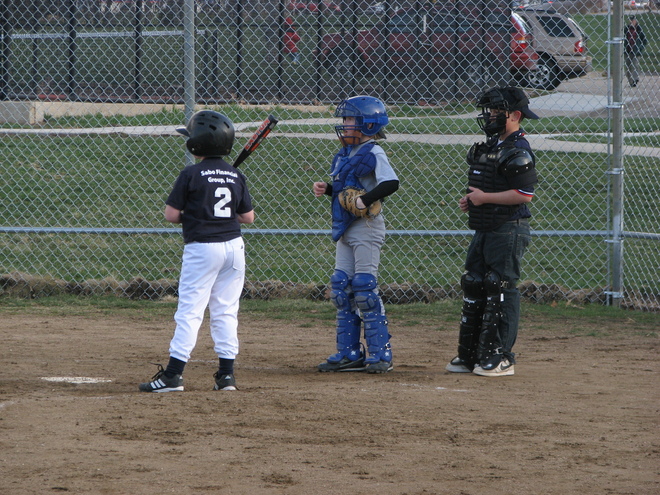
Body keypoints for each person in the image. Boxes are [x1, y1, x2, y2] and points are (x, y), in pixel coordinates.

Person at [139, 110, 255, 392]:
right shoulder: (235, 174)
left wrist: (196, 212)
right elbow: (247, 217)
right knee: (225, 311)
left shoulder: (190, 173)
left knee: (190, 311)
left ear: (197, 143)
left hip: (203, 249)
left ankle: (173, 376)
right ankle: (226, 376)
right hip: (234, 248)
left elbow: (171, 215)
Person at [445, 86, 539, 377]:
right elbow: (488, 186)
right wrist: (472, 200)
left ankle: (501, 356)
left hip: (508, 229)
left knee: (501, 287)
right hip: (485, 228)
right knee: (475, 283)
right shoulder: (490, 146)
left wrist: (484, 198)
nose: (491, 116)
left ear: (516, 115)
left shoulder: (518, 149)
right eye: (490, 111)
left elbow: (524, 194)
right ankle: (472, 353)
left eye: (498, 111)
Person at [313, 95, 399, 374]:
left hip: (366, 227)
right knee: (341, 288)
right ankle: (349, 352)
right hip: (345, 227)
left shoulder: (373, 152)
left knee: (364, 289)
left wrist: (366, 199)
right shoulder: (344, 154)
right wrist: (328, 189)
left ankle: (380, 354)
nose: (345, 124)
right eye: (345, 119)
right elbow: (345, 190)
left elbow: (391, 183)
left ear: (369, 124)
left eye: (351, 119)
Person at [625, 15, 648, 87]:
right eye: (631, 20)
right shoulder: (626, 29)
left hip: (636, 51)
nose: (632, 21)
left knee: (635, 64)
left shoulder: (639, 29)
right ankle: (631, 82)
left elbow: (644, 41)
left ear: (636, 21)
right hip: (628, 50)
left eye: (633, 20)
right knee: (628, 66)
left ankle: (635, 79)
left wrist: (640, 48)